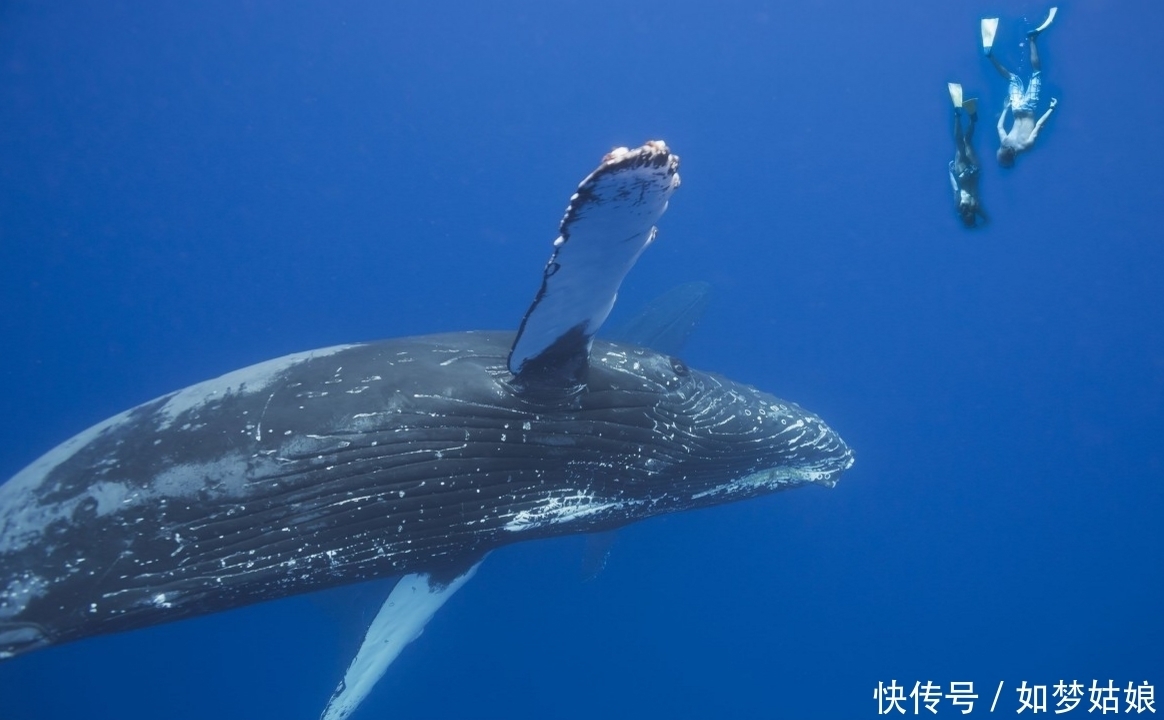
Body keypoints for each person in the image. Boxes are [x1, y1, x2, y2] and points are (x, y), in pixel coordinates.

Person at [982, 8, 1059, 167]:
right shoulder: (1004, 141)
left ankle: (1032, 40)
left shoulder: (1025, 146)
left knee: (1036, 73)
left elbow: (1039, 125)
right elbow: (999, 126)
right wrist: (1005, 108)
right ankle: (990, 56)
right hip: (1016, 107)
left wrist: (1051, 108)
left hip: (1028, 106)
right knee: (1013, 78)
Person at [947, 84, 987, 228]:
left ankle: (960, 114)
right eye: (971, 219)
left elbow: (955, 190)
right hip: (972, 172)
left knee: (960, 143)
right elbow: (988, 220)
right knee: (966, 142)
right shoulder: (976, 208)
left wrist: (950, 172)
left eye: (967, 219)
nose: (968, 217)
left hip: (964, 173)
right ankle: (971, 117)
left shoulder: (959, 207)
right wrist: (978, 226)